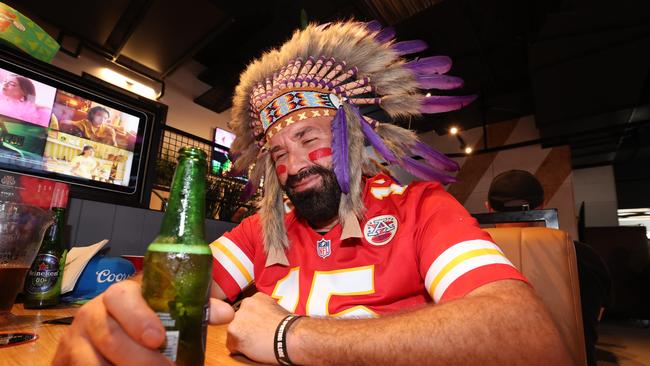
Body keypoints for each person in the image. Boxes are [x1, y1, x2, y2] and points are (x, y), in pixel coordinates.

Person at [53, 21, 571, 365]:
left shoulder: (420, 208)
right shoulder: (264, 228)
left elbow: (532, 337)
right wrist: (127, 316)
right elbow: (178, 292)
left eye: (309, 139)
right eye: (277, 153)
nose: (293, 166)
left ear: (351, 140)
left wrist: (291, 337)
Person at [486, 169, 612, 366]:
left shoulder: (466, 259)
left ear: (489, 209)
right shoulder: (586, 257)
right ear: (541, 206)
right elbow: (596, 316)